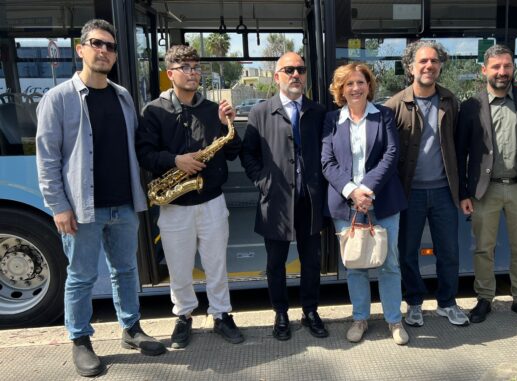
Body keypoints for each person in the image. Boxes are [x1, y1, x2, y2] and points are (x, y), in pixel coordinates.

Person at [35, 19, 165, 377]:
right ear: (81, 49)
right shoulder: (58, 99)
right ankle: (80, 340)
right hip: (82, 209)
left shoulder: (123, 96)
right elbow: (46, 159)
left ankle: (131, 329)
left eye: (110, 46)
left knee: (125, 270)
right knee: (80, 276)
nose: (104, 51)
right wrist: (58, 206)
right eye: (97, 43)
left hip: (124, 204)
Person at [136, 45, 244, 349]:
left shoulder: (213, 110)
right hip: (174, 203)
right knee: (179, 266)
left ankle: (221, 314)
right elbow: (144, 154)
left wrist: (229, 124)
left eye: (196, 67)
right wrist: (175, 160)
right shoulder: (153, 110)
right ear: (170, 73)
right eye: (186, 68)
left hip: (211, 200)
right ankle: (183, 316)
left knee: (216, 264)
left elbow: (232, 151)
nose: (193, 73)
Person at [240, 52, 328, 341]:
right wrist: (262, 181)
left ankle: (310, 311)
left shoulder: (317, 111)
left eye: (300, 69)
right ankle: (280, 313)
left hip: (310, 201)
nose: (296, 74)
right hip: (276, 202)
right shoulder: (261, 112)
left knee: (311, 261)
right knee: (275, 263)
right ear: (276, 76)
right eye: (288, 69)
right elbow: (248, 153)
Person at [457, 44, 517, 325]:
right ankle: (485, 299)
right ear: (484, 70)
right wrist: (463, 193)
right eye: (496, 67)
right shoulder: (471, 106)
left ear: (513, 69)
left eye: (507, 66)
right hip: (485, 190)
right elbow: (460, 153)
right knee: (484, 247)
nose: (502, 72)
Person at [322, 63, 409, 345]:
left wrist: (366, 189)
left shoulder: (384, 115)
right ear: (341, 90)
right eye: (349, 84)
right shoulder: (331, 120)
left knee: (390, 264)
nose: (356, 88)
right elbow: (327, 162)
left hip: (382, 201)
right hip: (347, 204)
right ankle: (360, 318)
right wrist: (352, 192)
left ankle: (394, 320)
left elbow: (391, 154)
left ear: (369, 86)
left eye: (360, 82)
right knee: (356, 264)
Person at [384, 40, 469, 328]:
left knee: (449, 251)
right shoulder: (394, 105)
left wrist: (463, 190)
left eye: (433, 61)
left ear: (440, 66)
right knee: (407, 253)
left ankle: (447, 302)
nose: (429, 66)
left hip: (445, 191)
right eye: (422, 61)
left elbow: (459, 147)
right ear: (411, 67)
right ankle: (415, 303)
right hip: (409, 194)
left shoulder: (450, 101)